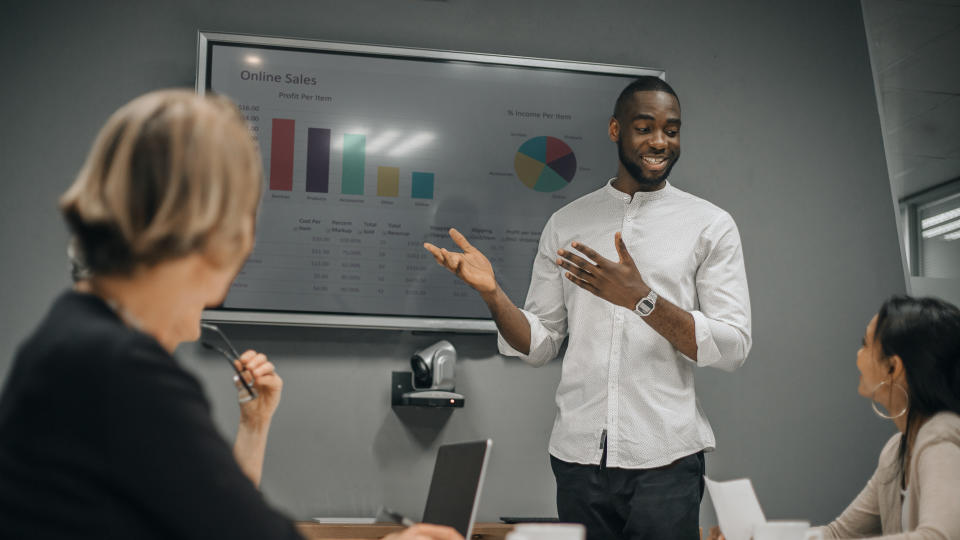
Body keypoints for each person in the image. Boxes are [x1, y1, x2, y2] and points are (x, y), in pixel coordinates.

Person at [0, 90, 461, 540]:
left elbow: (214, 522)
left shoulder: (71, 340)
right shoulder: (120, 369)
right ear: (212, 232)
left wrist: (254, 426)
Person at [425, 76, 752, 540]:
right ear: (616, 130)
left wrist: (642, 300)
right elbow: (539, 343)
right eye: (645, 127)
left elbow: (733, 345)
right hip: (578, 461)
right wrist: (493, 294)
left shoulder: (710, 226)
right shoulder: (566, 222)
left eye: (672, 130)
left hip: (667, 459)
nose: (660, 141)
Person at [709, 296, 960, 540]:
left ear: (893, 367)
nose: (858, 355)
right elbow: (837, 535)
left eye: (865, 344)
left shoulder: (940, 437)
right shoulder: (896, 452)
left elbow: (939, 536)